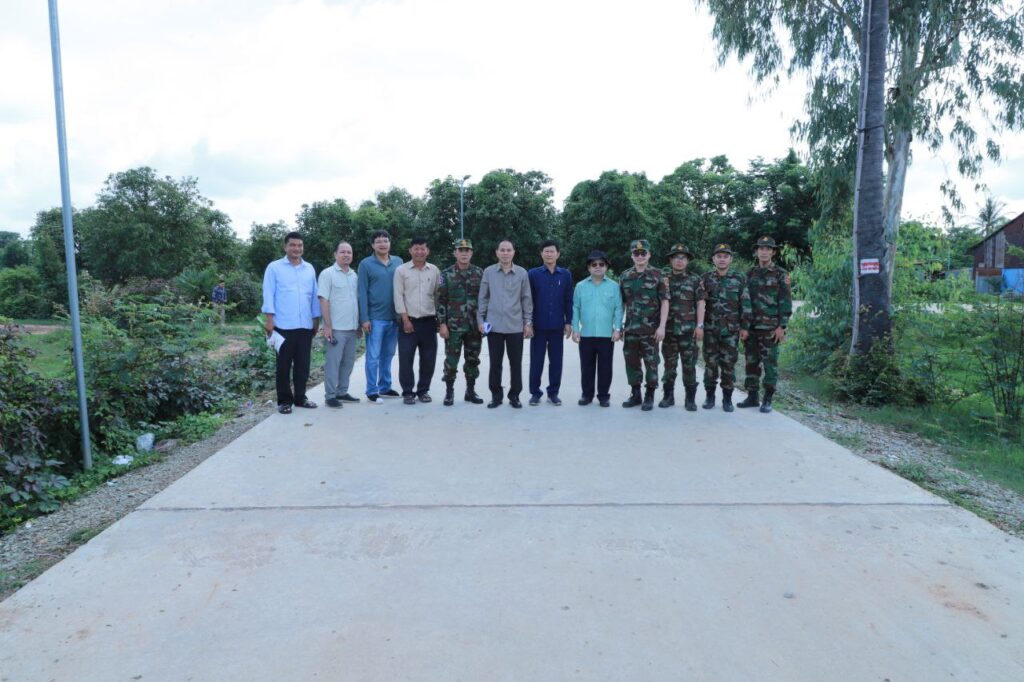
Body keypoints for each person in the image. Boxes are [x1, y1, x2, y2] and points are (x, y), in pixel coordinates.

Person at [262, 231, 320, 414]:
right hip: (283, 326)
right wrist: (269, 320)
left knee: (303, 365)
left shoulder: (309, 268)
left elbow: (314, 296)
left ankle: (301, 398)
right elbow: (268, 294)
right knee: (283, 365)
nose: (296, 248)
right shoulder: (274, 268)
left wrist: (316, 320)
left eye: (300, 245)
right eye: (292, 245)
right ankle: (285, 401)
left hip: (305, 325)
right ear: (285, 247)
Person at [737, 235, 792, 413]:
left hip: (770, 329)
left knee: (770, 365)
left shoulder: (781, 274)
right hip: (752, 328)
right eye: (761, 248)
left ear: (773, 252)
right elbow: (744, 301)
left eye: (768, 249)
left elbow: (786, 302)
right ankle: (752, 396)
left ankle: (767, 398)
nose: (764, 252)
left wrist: (782, 326)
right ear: (756, 251)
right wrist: (744, 326)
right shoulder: (749, 274)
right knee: (751, 363)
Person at [478, 239, 533, 409]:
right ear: (497, 252)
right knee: (495, 363)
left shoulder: (522, 273)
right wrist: (481, 321)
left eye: (509, 250)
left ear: (514, 252)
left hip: (515, 326)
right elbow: (483, 298)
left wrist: (528, 322)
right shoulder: (489, 272)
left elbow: (526, 299)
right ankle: (496, 395)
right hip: (494, 326)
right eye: (502, 250)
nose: (505, 253)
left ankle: (514, 395)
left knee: (515, 363)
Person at [699, 243, 751, 412]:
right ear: (713, 259)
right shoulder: (705, 278)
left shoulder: (739, 278)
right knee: (710, 364)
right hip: (710, 330)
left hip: (731, 331)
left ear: (731, 259)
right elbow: (700, 303)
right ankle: (710, 396)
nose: (722, 259)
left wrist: (745, 327)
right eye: (719, 256)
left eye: (725, 256)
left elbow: (745, 303)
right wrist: (699, 326)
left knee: (728, 365)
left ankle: (727, 399)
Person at [619, 239, 668, 411]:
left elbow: (665, 302)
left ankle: (650, 395)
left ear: (649, 255)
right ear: (632, 256)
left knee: (651, 363)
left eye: (643, 253)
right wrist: (619, 326)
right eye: (636, 253)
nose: (640, 256)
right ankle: (635, 394)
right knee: (631, 363)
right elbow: (621, 304)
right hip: (631, 328)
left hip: (651, 330)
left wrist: (662, 326)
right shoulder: (625, 276)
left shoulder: (658, 275)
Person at [357, 230, 404, 404]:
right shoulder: (366, 264)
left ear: (390, 243)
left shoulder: (398, 262)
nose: (382, 244)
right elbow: (362, 292)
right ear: (373, 245)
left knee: (388, 355)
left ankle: (385, 386)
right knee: (373, 356)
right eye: (378, 242)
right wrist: (364, 318)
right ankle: (372, 390)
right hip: (375, 318)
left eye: (385, 240)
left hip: (394, 317)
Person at [437, 238, 485, 406]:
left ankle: (470, 392)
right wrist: (442, 324)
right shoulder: (445, 274)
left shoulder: (480, 273)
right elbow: (440, 300)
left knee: (473, 359)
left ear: (471, 253)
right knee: (451, 361)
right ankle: (449, 392)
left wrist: (484, 323)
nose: (464, 254)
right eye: (461, 250)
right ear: (455, 253)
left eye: (467, 251)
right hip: (453, 326)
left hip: (474, 326)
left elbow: (485, 299)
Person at [571, 250, 622, 407]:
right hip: (586, 334)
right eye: (594, 264)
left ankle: (604, 396)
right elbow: (576, 308)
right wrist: (575, 329)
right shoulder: (580, 286)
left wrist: (617, 329)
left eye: (601, 264)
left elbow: (618, 309)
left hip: (606, 335)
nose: (598, 267)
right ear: (589, 268)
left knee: (605, 367)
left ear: (606, 267)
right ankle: (587, 395)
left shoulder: (614, 287)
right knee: (587, 367)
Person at [393, 236, 440, 405]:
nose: (419, 252)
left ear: (428, 251)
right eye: (416, 248)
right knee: (406, 359)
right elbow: (398, 296)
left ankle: (423, 391)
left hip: (429, 322)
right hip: (409, 322)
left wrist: (440, 320)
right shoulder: (401, 271)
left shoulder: (435, 271)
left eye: (423, 249)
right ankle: (407, 392)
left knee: (428, 359)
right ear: (410, 251)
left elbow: (439, 294)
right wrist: (405, 319)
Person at [527, 240, 574, 406]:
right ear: (541, 254)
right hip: (538, 326)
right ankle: (535, 393)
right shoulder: (533, 274)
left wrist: (568, 322)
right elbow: (528, 300)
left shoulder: (565, 275)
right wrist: (528, 323)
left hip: (557, 326)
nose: (549, 254)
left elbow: (568, 300)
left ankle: (553, 393)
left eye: (552, 251)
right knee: (536, 361)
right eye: (546, 251)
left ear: (558, 254)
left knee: (556, 362)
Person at [659, 244, 705, 411]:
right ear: (671, 260)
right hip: (669, 331)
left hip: (688, 331)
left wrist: (700, 325)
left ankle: (690, 399)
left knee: (689, 366)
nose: (679, 261)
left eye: (683, 258)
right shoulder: (663, 278)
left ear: (687, 260)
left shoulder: (695, 280)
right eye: (676, 257)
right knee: (669, 366)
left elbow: (700, 303)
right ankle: (668, 396)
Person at [318, 241, 361, 408]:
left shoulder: (354, 276)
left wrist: (358, 325)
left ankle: (342, 392)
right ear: (335, 254)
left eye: (349, 252)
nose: (346, 255)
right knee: (333, 363)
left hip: (352, 328)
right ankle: (330, 395)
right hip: (336, 329)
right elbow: (323, 300)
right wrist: (327, 326)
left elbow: (356, 301)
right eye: (342, 252)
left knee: (348, 363)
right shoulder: (327, 274)